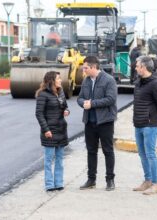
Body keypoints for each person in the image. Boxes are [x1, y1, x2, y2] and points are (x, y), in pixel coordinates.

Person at [77, 56, 117, 191]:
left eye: (86, 68)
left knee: (108, 151)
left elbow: (111, 99)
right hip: (89, 122)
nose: (84, 70)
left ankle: (110, 180)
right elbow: (80, 98)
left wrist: (92, 104)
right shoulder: (86, 81)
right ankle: (91, 180)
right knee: (91, 151)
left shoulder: (109, 80)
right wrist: (83, 103)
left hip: (105, 121)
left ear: (94, 67)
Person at [133, 56, 157, 195]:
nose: (135, 68)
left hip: (150, 125)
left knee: (150, 154)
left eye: (137, 66)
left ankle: (155, 184)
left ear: (144, 67)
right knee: (142, 154)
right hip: (138, 124)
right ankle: (147, 181)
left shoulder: (156, 84)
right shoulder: (138, 83)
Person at [35, 71, 70, 191]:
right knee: (49, 159)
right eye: (58, 78)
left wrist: (66, 111)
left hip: (61, 130)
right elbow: (39, 114)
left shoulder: (61, 92)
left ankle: (59, 183)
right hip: (49, 131)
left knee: (60, 159)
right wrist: (46, 130)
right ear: (52, 81)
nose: (60, 80)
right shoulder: (43, 94)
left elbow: (65, 106)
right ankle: (49, 185)